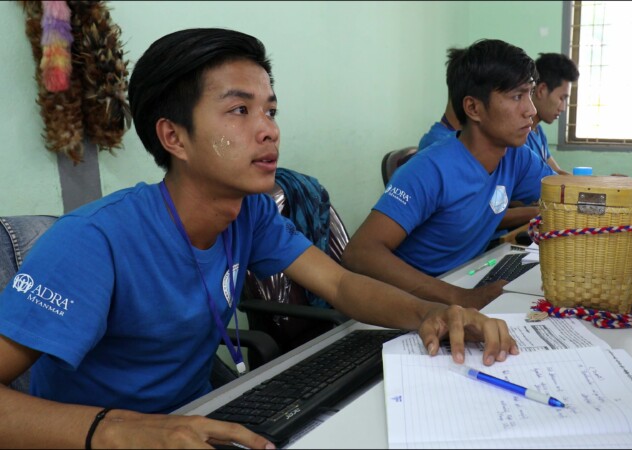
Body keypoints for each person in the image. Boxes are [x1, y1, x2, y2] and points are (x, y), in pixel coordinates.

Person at [0, 28, 520, 449]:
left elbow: (340, 284)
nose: (269, 130)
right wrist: (114, 430)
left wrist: (426, 313)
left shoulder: (250, 212)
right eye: (239, 110)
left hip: (200, 417)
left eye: (270, 110)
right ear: (173, 137)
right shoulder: (92, 242)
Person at [342, 39, 556, 311]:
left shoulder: (517, 156)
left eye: (530, 94)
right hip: (401, 304)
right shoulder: (429, 169)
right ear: (473, 108)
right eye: (517, 97)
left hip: (463, 281)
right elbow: (360, 253)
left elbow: (566, 195)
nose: (531, 110)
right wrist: (458, 298)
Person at [529, 53, 580, 176]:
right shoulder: (519, 135)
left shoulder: (538, 132)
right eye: (562, 98)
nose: (563, 108)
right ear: (541, 90)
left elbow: (556, 173)